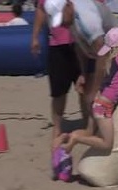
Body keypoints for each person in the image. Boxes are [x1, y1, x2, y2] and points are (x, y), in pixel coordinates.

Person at [44, 0, 118, 143]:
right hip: (106, 50)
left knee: (100, 96)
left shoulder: (86, 18)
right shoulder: (72, 16)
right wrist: (83, 74)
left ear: (67, 6)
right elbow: (80, 48)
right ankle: (92, 130)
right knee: (91, 95)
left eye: (60, 19)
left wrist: (95, 89)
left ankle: (110, 136)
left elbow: (102, 52)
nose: (61, 24)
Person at [31, 0, 81, 150]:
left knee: (85, 89)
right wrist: (35, 37)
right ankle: (57, 128)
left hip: (81, 44)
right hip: (58, 45)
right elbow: (41, 9)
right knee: (59, 91)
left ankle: (88, 125)